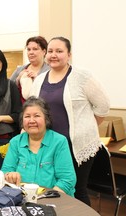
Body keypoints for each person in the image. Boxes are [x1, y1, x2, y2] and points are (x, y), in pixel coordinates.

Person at [31, 37, 110, 205]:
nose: (54, 55)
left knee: (77, 189)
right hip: (50, 147)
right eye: (50, 51)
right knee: (52, 189)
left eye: (59, 51)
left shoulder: (82, 76)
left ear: (69, 55)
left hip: (78, 146)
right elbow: (34, 109)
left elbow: (103, 106)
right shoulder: (39, 79)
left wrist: (86, 127)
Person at [1, 96, 76, 196]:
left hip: (54, 199)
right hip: (21, 199)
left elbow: (67, 180)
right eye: (27, 116)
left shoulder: (59, 141)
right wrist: (9, 175)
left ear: (46, 119)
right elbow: (5, 172)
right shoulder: (15, 142)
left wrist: (46, 198)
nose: (31, 121)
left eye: (36, 116)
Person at [10, 36, 49, 103]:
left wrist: (38, 79)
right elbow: (9, 89)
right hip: (21, 110)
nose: (31, 52)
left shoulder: (49, 71)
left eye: (35, 49)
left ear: (44, 51)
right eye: (28, 49)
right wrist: (18, 78)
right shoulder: (20, 70)